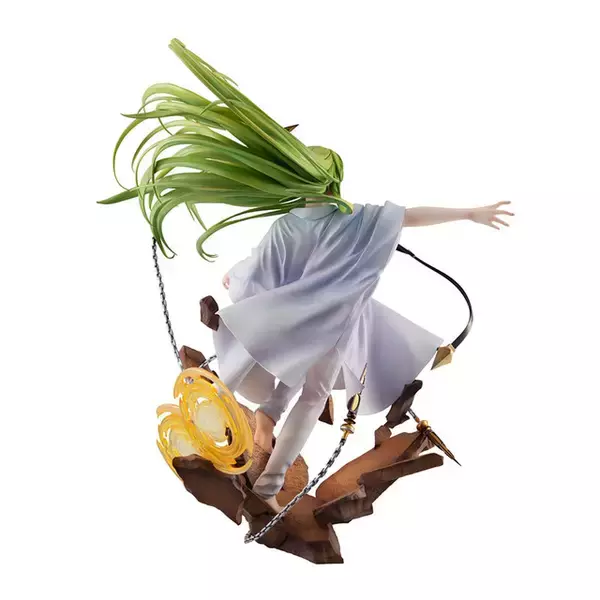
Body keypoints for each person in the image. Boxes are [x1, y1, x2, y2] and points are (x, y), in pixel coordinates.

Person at [216, 198, 513, 512]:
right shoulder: (352, 219)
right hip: (330, 326)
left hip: (294, 321)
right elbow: (408, 217)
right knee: (314, 395)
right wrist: (468, 212)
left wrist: (236, 277)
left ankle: (269, 416)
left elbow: (257, 269)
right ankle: (268, 485)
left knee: (303, 371)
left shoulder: (292, 223)